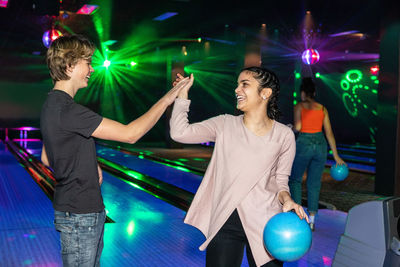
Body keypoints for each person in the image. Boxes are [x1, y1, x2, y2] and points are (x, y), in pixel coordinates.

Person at [40, 35, 191, 266]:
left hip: (74, 210)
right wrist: (169, 98)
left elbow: (46, 156)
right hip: (82, 214)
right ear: (70, 66)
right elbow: (131, 134)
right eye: (87, 62)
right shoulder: (71, 111)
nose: (91, 69)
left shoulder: (51, 105)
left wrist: (90, 165)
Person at [170, 67, 308, 267]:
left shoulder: (283, 135)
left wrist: (287, 199)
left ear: (265, 93)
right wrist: (182, 96)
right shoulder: (224, 124)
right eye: (237, 84)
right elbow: (179, 133)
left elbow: (281, 181)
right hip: (226, 220)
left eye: (244, 84)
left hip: (266, 222)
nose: (237, 89)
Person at [288, 77, 345, 231]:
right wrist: (336, 156)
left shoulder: (299, 106)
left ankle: (299, 218)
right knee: (314, 183)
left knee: (295, 180)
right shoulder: (322, 108)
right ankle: (312, 220)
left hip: (304, 143)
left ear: (303, 93)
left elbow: (298, 127)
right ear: (313, 92)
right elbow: (329, 133)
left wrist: (289, 128)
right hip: (320, 145)